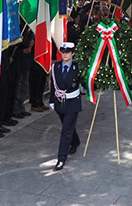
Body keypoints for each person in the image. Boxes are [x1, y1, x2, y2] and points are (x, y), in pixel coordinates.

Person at [49, 42, 82, 171]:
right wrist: (52, 100)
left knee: (66, 131)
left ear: (73, 53)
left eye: (68, 52)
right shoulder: (56, 66)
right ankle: (76, 142)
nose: (65, 54)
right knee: (67, 126)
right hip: (59, 102)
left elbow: (85, 80)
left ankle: (61, 159)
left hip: (72, 102)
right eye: (63, 52)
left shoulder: (78, 67)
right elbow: (53, 85)